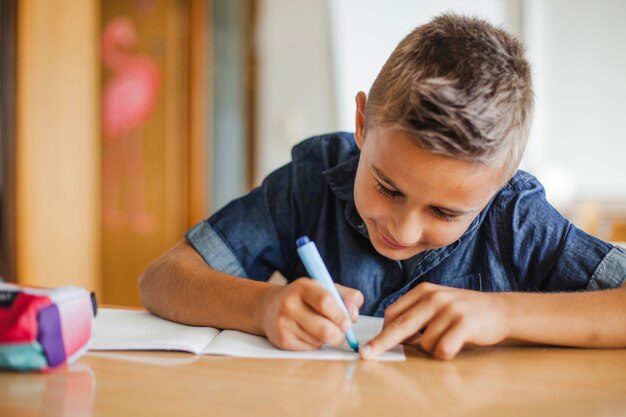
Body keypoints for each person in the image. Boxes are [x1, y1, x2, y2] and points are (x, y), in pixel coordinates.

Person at [139, 14, 626, 360]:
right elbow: (162, 278)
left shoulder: (516, 218)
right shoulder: (310, 181)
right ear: (363, 121)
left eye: (445, 213)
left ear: (498, 184)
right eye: (389, 189)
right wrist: (262, 306)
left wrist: (504, 314)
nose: (404, 229)